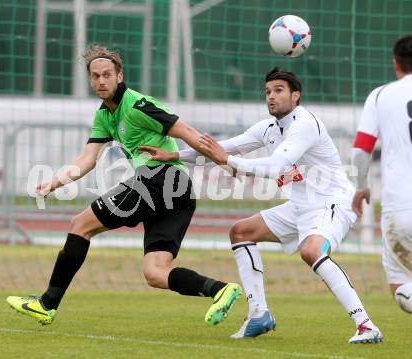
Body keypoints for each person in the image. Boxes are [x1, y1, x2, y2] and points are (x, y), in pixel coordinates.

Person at [141, 67, 382, 344]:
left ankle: (366, 325)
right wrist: (172, 154)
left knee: (312, 250)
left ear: (296, 96)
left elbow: (273, 166)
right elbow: (223, 148)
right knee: (241, 231)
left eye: (279, 90)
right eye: (268, 91)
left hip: (332, 203)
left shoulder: (305, 124)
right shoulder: (268, 128)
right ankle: (258, 314)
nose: (271, 96)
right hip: (300, 205)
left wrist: (226, 161)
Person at [6, 45, 242, 327]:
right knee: (155, 273)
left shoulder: (138, 105)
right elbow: (88, 158)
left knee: (81, 224)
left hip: (161, 179)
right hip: (179, 193)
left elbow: (186, 131)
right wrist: (57, 181)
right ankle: (220, 289)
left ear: (120, 75)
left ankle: (46, 304)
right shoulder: (104, 116)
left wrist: (224, 161)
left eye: (107, 74)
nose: (101, 81)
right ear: (90, 80)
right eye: (96, 76)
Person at [352, 35, 412, 313]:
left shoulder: (380, 95)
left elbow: (361, 150)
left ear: (395, 63)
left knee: (400, 287)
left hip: (400, 208)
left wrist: (361, 186)